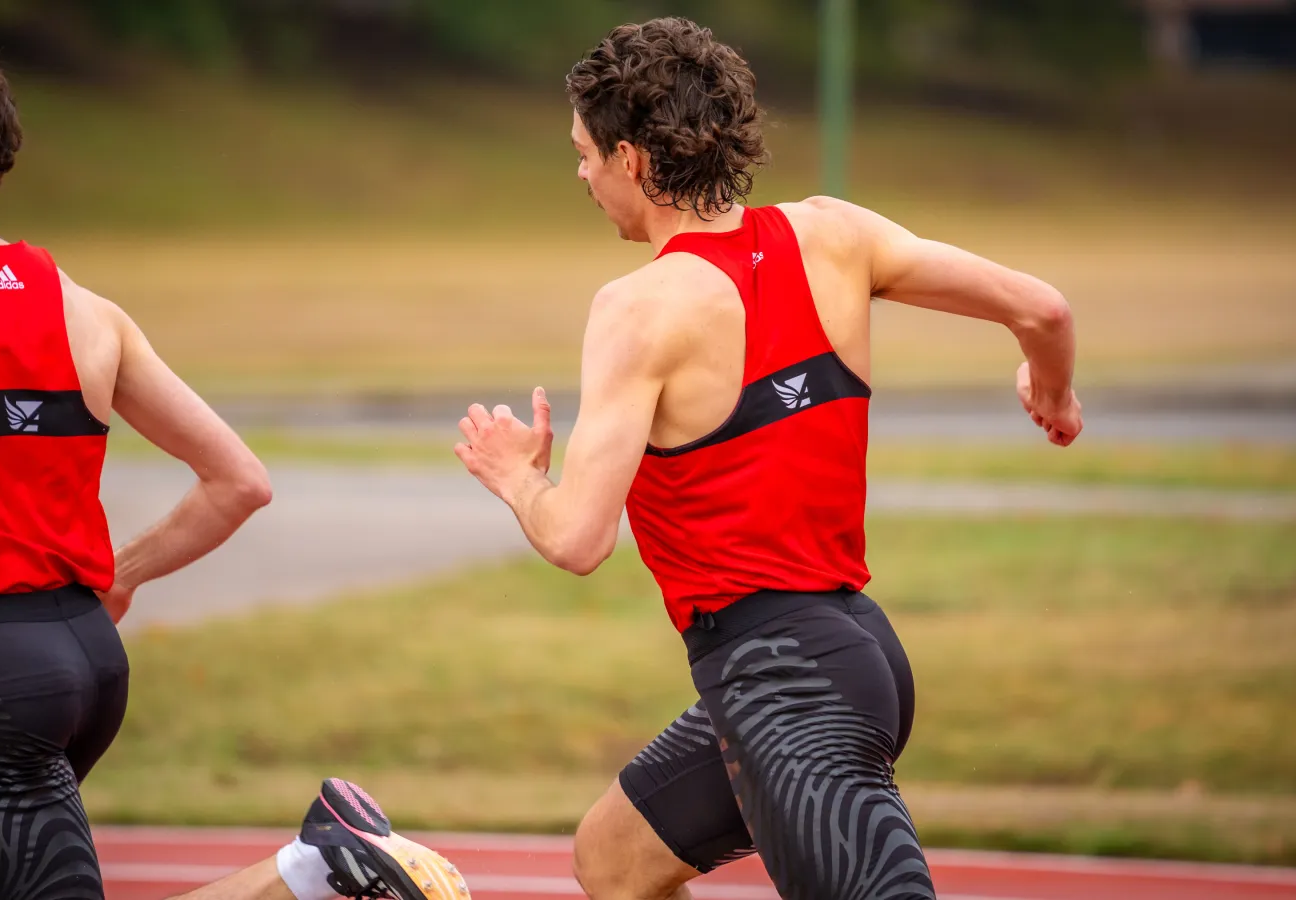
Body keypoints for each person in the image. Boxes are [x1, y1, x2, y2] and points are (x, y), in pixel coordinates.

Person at [0, 25, 467, 900]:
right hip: (84, 663)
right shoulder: (89, 312)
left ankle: (311, 871)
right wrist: (119, 578)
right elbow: (240, 482)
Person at [454, 17, 1082, 900]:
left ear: (632, 160)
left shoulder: (639, 309)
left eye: (587, 153)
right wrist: (1051, 394)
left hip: (784, 682)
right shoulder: (837, 234)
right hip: (850, 651)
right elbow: (1044, 311)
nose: (583, 175)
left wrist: (517, 477)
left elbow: (580, 538)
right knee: (613, 859)